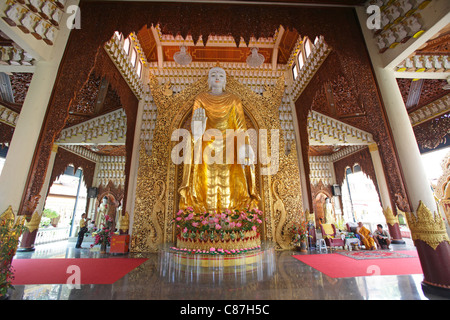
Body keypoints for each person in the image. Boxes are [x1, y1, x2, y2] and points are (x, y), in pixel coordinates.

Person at [178, 66, 260, 213]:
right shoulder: (201, 98)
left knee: (229, 181)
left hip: (230, 146)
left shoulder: (234, 100)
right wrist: (197, 133)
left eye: (221, 75)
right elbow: (195, 125)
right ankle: (204, 216)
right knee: (205, 180)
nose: (217, 77)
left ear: (225, 80)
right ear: (209, 80)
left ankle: (231, 217)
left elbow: (241, 127)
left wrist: (245, 147)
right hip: (206, 145)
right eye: (214, 75)